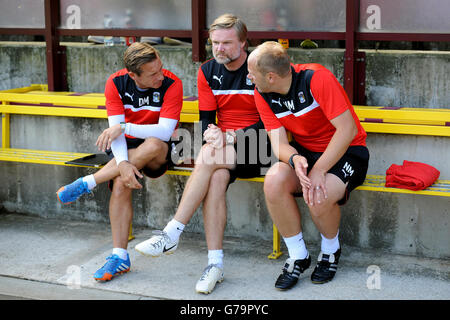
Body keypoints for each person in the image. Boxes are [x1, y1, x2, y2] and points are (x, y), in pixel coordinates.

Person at [134, 13, 271, 294]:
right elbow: (207, 118)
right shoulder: (208, 71)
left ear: (244, 43)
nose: (219, 48)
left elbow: (269, 123)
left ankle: (172, 232)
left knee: (208, 156)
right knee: (216, 178)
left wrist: (228, 137)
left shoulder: (259, 68)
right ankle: (215, 264)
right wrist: (210, 132)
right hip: (223, 150)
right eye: (215, 42)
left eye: (226, 43)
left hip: (261, 146)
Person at [247, 41, 369, 290]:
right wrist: (294, 158)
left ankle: (330, 250)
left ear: (270, 76)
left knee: (317, 194)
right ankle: (298, 256)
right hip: (307, 153)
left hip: (348, 151)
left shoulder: (316, 79)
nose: (248, 77)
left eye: (252, 73)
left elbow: (347, 130)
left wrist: (319, 169)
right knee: (274, 180)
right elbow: (278, 142)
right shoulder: (261, 92)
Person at [56, 42, 183, 282]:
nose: (160, 75)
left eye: (161, 68)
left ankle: (88, 182)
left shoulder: (172, 83)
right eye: (153, 73)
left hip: (161, 150)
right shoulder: (116, 83)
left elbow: (164, 132)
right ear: (133, 75)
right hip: (127, 148)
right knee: (122, 180)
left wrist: (124, 127)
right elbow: (116, 135)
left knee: (154, 144)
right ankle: (119, 256)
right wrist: (123, 164)